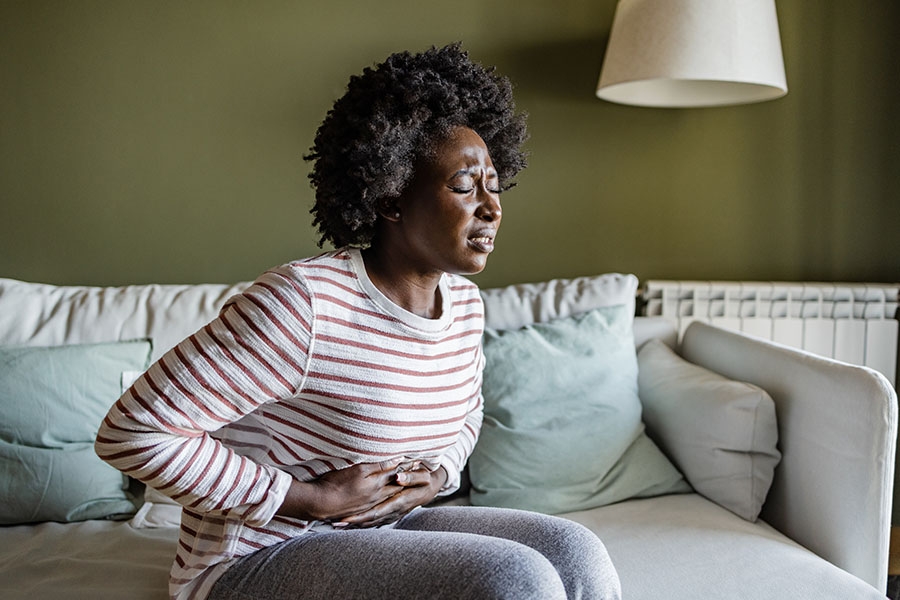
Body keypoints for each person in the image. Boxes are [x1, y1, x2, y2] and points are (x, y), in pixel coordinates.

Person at [96, 43, 621, 600]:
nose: (491, 207)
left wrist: (437, 476)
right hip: (261, 554)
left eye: (494, 184)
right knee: (518, 580)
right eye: (466, 187)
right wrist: (308, 499)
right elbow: (133, 433)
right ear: (391, 198)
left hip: (382, 531)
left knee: (574, 550)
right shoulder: (304, 303)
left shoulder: (465, 306)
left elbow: (468, 415)